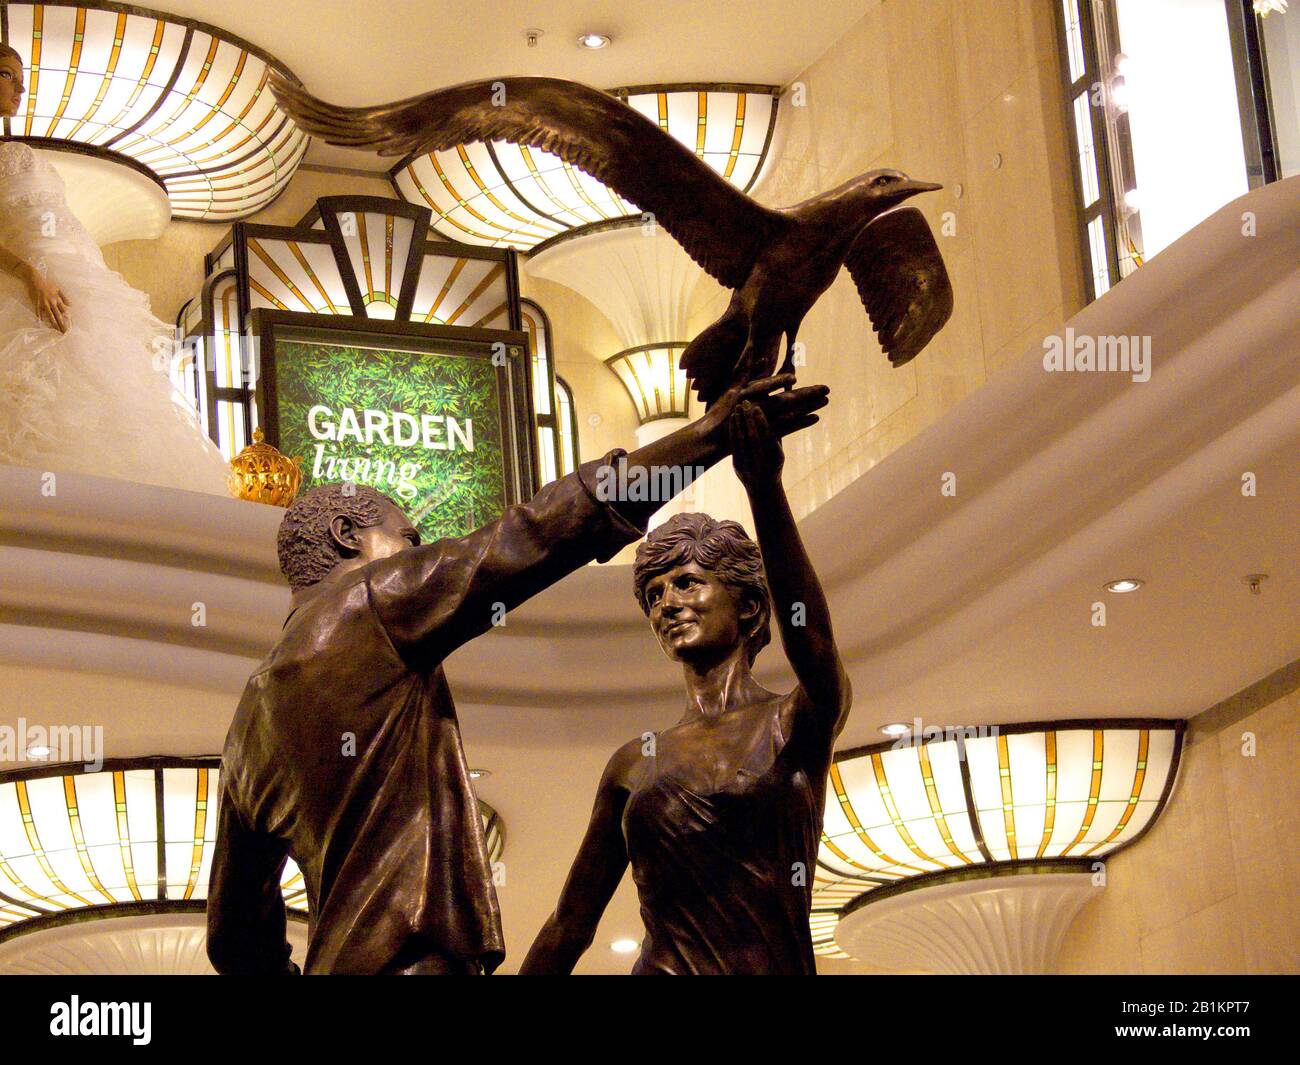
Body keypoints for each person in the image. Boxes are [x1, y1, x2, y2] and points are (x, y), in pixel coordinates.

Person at [206, 374, 828, 974]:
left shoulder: (247, 728)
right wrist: (707, 437)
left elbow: (234, 942)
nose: (419, 557)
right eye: (409, 539)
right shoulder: (372, 603)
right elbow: (538, 531)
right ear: (348, 535)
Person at [521, 399, 851, 975]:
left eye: (687, 583)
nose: (667, 603)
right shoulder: (633, 762)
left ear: (748, 606)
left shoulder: (794, 721)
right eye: (653, 595)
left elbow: (812, 638)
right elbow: (570, 924)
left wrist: (764, 488)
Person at [0, 45, 229, 493]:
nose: (21, 88)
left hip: (74, 285)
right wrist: (29, 274)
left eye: (21, 78)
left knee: (101, 396)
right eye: (8, 74)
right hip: (25, 283)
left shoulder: (15, 149)